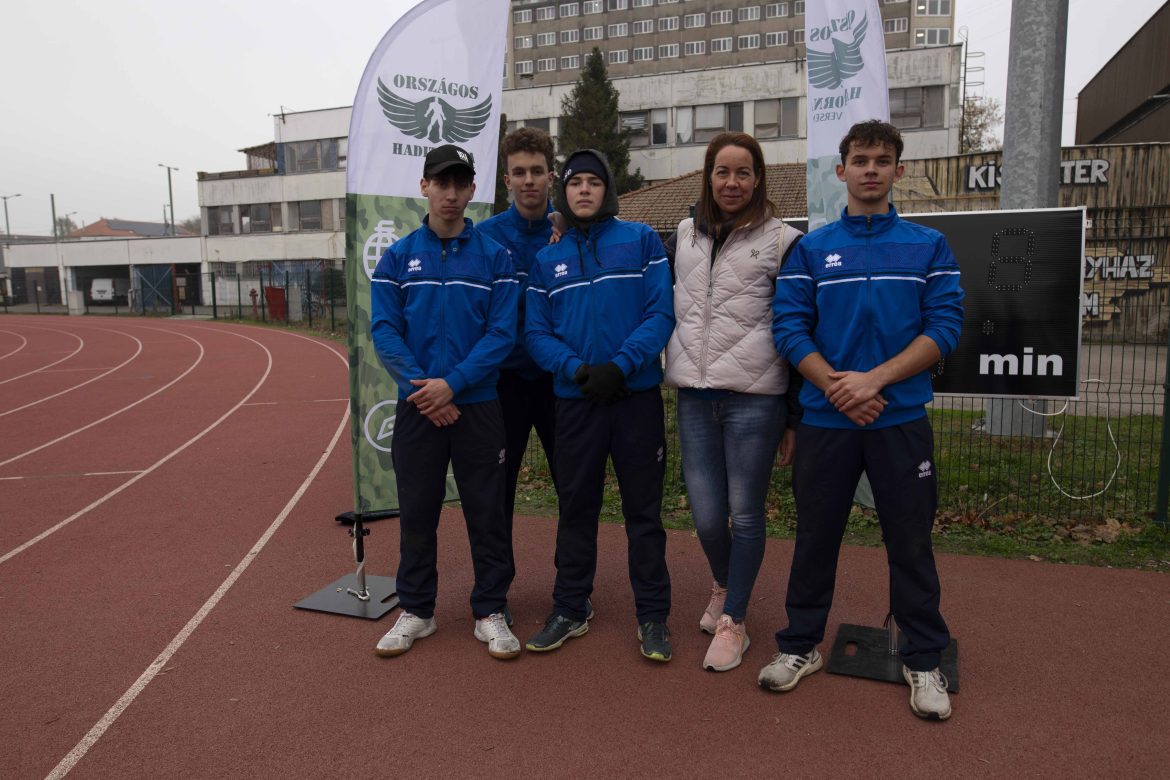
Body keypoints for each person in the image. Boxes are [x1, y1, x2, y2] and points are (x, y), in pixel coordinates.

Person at [762, 120, 964, 720]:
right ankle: (800, 646)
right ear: (841, 170)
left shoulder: (928, 246)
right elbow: (788, 328)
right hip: (828, 423)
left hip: (899, 420)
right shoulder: (811, 249)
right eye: (859, 159)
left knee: (910, 541)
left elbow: (945, 328)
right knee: (815, 538)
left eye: (881, 160)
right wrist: (839, 388)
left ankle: (922, 658)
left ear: (899, 170)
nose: (870, 169)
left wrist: (874, 381)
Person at [369, 144, 522, 661]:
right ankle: (417, 609)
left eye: (460, 183)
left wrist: (452, 385)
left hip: (476, 406)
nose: (451, 193)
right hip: (418, 407)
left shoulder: (495, 258)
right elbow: (385, 331)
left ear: (473, 189)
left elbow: (501, 334)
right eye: (441, 182)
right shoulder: (397, 257)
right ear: (425, 187)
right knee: (417, 513)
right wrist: (427, 391)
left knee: (487, 513)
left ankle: (490, 610)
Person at [523, 149, 676, 662]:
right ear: (563, 193)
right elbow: (536, 332)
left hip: (635, 401)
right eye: (575, 183)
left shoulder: (641, 240)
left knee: (643, 513)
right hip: (577, 403)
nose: (584, 189)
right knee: (575, 510)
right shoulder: (547, 260)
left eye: (593, 181)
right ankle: (570, 607)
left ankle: (652, 615)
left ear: (607, 189)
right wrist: (577, 370)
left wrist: (622, 365)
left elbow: (660, 312)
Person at [662, 132, 803, 672]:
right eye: (722, 172)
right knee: (705, 516)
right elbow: (633, 264)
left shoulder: (784, 241)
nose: (732, 182)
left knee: (745, 514)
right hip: (695, 398)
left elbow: (796, 327)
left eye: (743, 173)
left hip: (755, 401)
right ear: (708, 176)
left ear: (758, 178)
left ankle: (734, 621)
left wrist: (793, 416)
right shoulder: (683, 235)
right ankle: (724, 584)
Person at [478, 128, 560, 600]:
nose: (529, 180)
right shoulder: (486, 237)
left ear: (551, 175)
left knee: (573, 486)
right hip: (503, 382)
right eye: (519, 172)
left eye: (536, 171)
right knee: (497, 490)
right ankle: (495, 592)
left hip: (558, 380)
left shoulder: (572, 231)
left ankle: (572, 588)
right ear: (506, 179)